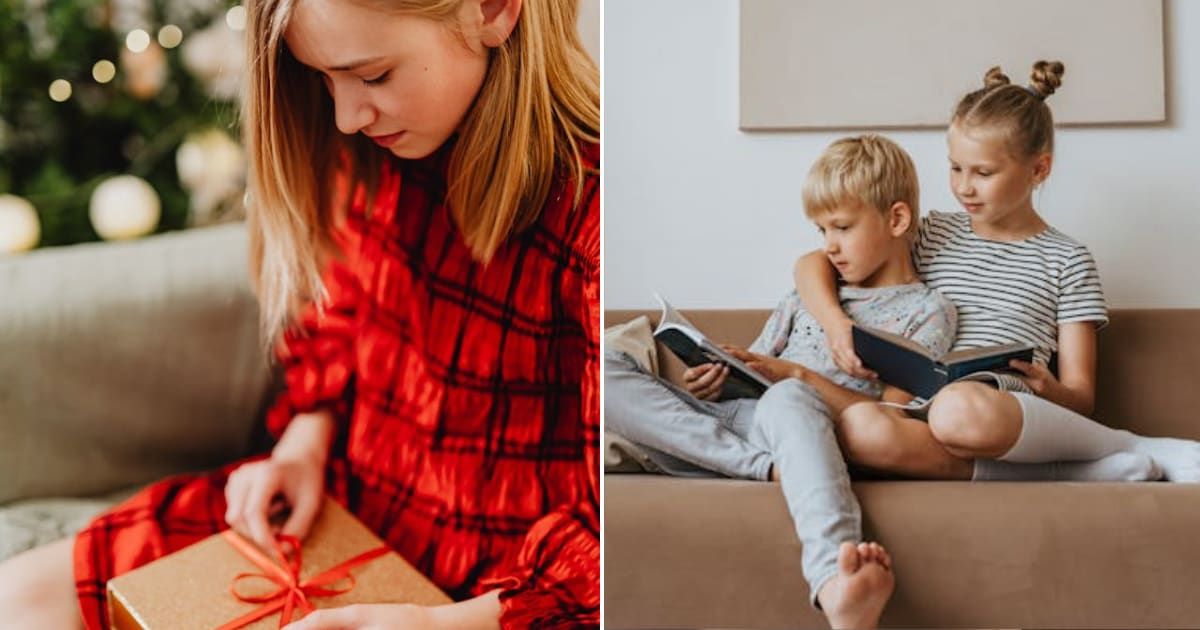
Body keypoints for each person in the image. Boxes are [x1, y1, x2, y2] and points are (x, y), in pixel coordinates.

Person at [0, 1, 600, 628]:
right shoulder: (380, 145)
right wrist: (302, 444)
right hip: (342, 505)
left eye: (372, 76)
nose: (346, 117)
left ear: (494, 10)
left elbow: (609, 541)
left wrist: (435, 625)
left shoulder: (597, 227)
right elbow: (337, 314)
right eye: (322, 77)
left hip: (504, 591)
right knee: (20, 599)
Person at [607, 134, 958, 628]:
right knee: (599, 369)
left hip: (813, 433)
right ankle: (762, 467)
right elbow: (758, 363)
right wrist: (718, 374)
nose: (829, 245)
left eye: (842, 227)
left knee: (790, 398)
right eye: (821, 231)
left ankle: (834, 582)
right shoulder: (808, 296)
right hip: (737, 425)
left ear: (896, 220)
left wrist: (796, 376)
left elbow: (891, 419)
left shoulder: (927, 312)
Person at [794, 60, 1200, 484]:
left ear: (1038, 169)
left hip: (1004, 405)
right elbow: (810, 264)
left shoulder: (1067, 259)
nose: (964, 187)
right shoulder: (932, 232)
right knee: (860, 429)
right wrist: (837, 325)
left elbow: (1081, 396)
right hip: (922, 410)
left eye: (983, 173)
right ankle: (1069, 474)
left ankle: (1129, 444)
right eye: (955, 168)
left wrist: (1051, 389)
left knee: (957, 409)